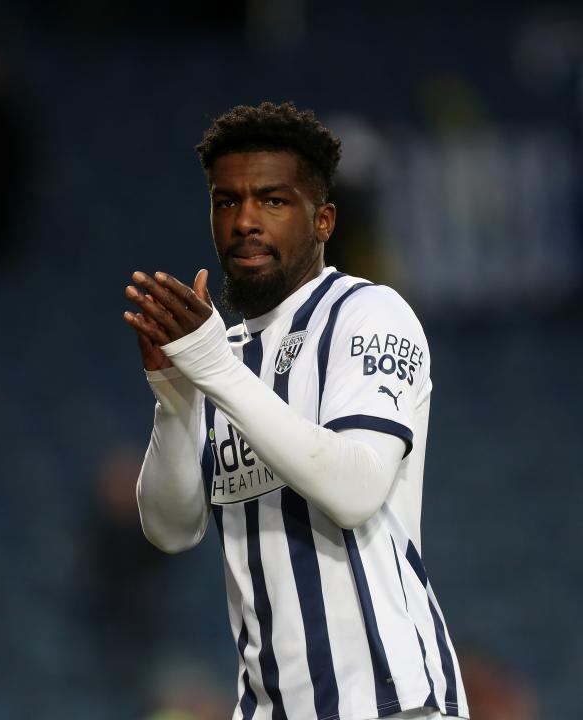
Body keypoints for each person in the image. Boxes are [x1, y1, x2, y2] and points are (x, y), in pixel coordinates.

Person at [123, 101, 468, 720]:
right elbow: (171, 529)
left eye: (273, 201)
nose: (246, 221)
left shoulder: (369, 314)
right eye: (227, 202)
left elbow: (356, 487)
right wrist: (174, 395)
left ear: (323, 219)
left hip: (390, 702)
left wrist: (211, 368)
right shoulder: (219, 357)